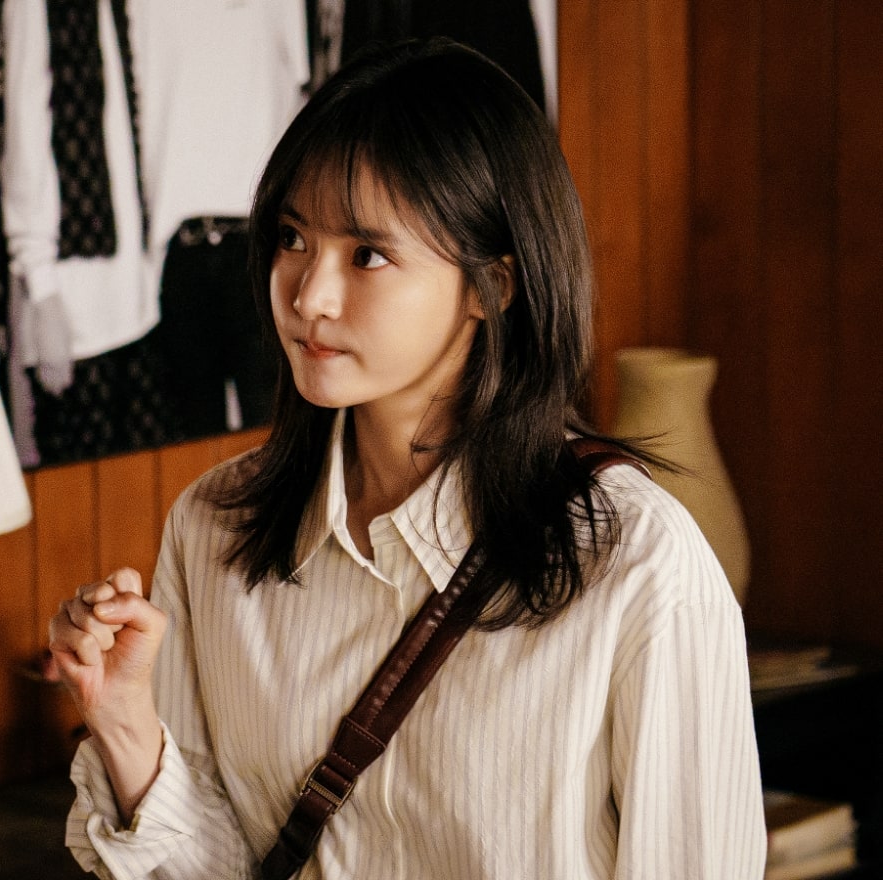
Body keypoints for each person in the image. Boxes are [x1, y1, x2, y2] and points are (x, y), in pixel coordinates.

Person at [48, 38, 766, 879]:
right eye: (292, 237)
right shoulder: (216, 527)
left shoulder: (638, 564)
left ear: (493, 286)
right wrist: (123, 717)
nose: (308, 295)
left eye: (368, 254)